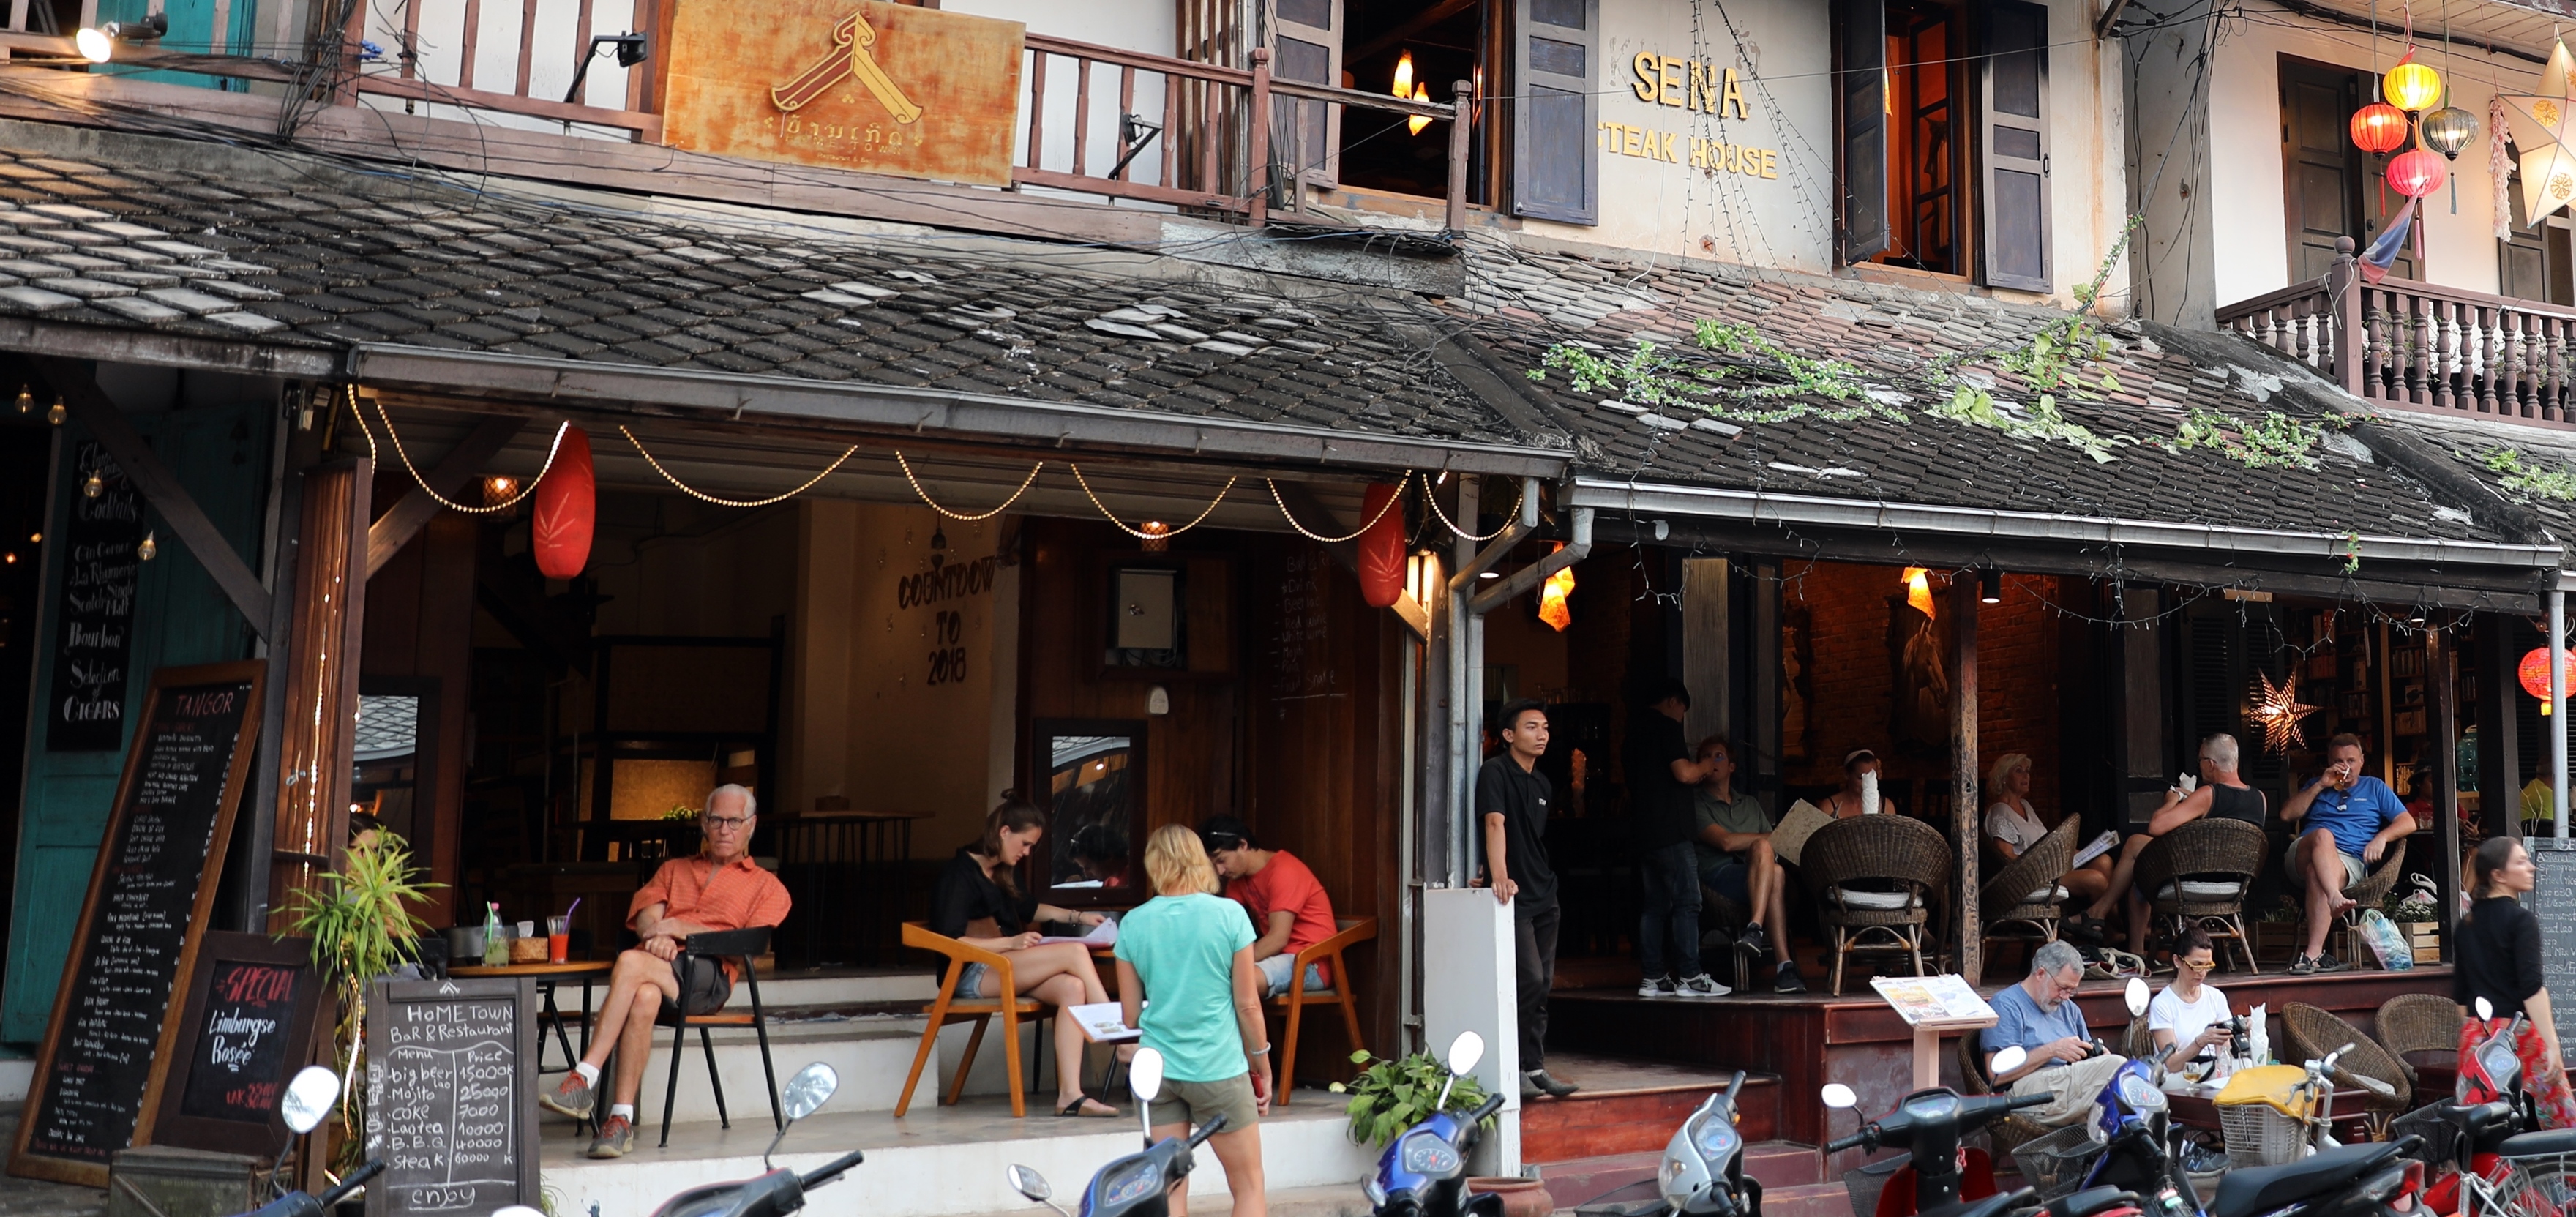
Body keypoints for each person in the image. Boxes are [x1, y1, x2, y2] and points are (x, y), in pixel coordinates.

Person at [539, 784, 792, 1157]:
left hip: (710, 978)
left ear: (751, 826)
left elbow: (747, 941)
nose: (725, 829)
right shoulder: (674, 869)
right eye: (717, 819)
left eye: (734, 821)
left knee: (628, 961)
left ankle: (584, 1077)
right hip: (661, 968)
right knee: (643, 995)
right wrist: (659, 934)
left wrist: (680, 930)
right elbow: (647, 915)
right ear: (704, 823)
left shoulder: (767, 886)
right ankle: (620, 1121)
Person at [924, 795, 1120, 1117]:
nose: (1027, 853)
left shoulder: (1004, 870)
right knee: (1074, 951)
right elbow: (951, 940)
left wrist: (1079, 917)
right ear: (1003, 832)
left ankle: (1070, 1095)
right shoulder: (958, 875)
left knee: (1072, 987)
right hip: (971, 972)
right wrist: (1010, 944)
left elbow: (1030, 908)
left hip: (1005, 966)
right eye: (1025, 844)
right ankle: (1114, 1031)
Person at [1117, 825, 1272, 1217]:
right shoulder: (1229, 915)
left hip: (1157, 1072)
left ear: (1154, 865)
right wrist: (1262, 1063)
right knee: (1248, 1187)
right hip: (1217, 1067)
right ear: (1199, 860)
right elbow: (1248, 1004)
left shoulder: (1133, 922)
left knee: (1168, 1192)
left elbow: (1131, 1015)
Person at [2067, 733, 2266, 954]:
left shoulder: (2208, 794)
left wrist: (2172, 800)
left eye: (2200, 760)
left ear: (2210, 764)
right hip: (2235, 883)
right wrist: (2193, 799)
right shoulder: (2260, 799)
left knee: (2135, 844)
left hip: (2195, 877)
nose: (2199, 766)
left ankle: (2119, 935)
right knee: (2138, 885)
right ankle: (2104, 917)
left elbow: (2156, 827)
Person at [1478, 699, 1580, 1100]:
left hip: (1545, 892)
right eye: (1532, 727)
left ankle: (1535, 1069)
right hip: (1514, 893)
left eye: (1545, 728)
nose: (1542, 735)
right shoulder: (1494, 772)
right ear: (1508, 735)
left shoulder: (1542, 783)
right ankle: (1511, 1065)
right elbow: (1493, 822)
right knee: (1529, 979)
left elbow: (1534, 838)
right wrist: (1498, 875)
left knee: (1544, 985)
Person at [2457, 836, 2576, 1128]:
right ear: (2498, 875)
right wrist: (2552, 1045)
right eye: (2521, 862)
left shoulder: (2465, 924)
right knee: (2560, 1125)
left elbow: (2461, 997)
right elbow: (2532, 988)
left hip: (2477, 1036)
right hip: (2516, 1035)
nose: (2531, 868)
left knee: (2484, 1127)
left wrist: (2477, 1039)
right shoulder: (2521, 920)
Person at [1625, 680, 1728, 1000]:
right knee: (1687, 901)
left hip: (1644, 831)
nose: (1683, 716)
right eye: (1684, 709)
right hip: (1671, 830)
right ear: (1673, 702)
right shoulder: (1666, 728)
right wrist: (1707, 765)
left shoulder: (1632, 733)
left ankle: (1653, 977)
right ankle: (1692, 976)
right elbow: (1683, 774)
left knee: (1655, 905)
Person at [2280, 733, 2416, 974]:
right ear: (2329, 762)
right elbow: (2287, 815)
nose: (2346, 767)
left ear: (2362, 761)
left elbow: (2408, 822)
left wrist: (2381, 837)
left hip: (2346, 862)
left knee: (2317, 873)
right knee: (2323, 835)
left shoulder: (2374, 787)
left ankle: (2312, 954)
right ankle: (2334, 897)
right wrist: (2321, 784)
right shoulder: (2316, 784)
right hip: (2305, 851)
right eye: (2339, 761)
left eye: (2351, 760)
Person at [1691, 737, 1806, 993]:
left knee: (1775, 871)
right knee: (1764, 849)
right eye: (1705, 757)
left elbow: (1779, 847)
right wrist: (1770, 839)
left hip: (1756, 877)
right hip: (1719, 878)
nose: (1711, 761)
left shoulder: (1750, 804)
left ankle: (1777, 959)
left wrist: (1774, 842)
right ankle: (1778, 959)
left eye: (1717, 756)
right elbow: (1725, 842)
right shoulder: (1696, 803)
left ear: (1732, 766)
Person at [1985, 940, 2128, 1126]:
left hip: (2067, 1087)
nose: (2066, 997)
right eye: (2062, 988)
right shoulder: (2006, 1004)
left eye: (2072, 990)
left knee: (2124, 1081)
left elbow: (2088, 1061)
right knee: (2118, 1066)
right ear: (2041, 974)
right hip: (2025, 1092)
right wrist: (2053, 1050)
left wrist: (2097, 1058)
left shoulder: (2070, 1009)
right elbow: (1995, 1075)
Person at [1201, 814, 1336, 996]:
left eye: (1222, 860)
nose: (1220, 871)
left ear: (1243, 845)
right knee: (1208, 978)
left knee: (1240, 982)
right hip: (1274, 959)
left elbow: (1278, 938)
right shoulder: (1238, 879)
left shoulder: (1284, 870)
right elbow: (1223, 928)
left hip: (1310, 962)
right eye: (1214, 864)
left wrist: (1233, 964)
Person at [1985, 753, 2112, 907]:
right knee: (2096, 879)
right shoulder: (2000, 811)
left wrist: (2084, 853)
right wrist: (2041, 864)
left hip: (2051, 867)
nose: (2026, 776)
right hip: (2032, 877)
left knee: (2104, 861)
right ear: (2003, 777)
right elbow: (2005, 858)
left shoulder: (2026, 806)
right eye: (2019, 771)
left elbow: (2043, 845)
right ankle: (2116, 927)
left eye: (2028, 771)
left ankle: (2096, 922)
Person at [2148, 928, 2239, 1082]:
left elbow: (2225, 1052)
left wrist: (2242, 1034)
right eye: (2196, 965)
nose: (2202, 972)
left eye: (2207, 966)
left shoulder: (2216, 997)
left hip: (2211, 1069)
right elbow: (2172, 1064)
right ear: (2177, 961)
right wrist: (2201, 1041)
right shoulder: (2162, 1004)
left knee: (2249, 1067)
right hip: (2179, 1076)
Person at [1819, 749, 1900, 818]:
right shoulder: (1829, 807)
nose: (1866, 784)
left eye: (1871, 778)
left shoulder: (1886, 807)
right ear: (1847, 775)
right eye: (1861, 778)